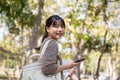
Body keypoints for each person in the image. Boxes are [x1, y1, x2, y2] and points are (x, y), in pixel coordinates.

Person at [40, 15, 80, 80]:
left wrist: (67, 65)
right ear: (47, 29)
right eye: (56, 26)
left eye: (62, 26)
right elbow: (47, 69)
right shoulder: (52, 43)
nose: (60, 29)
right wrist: (67, 66)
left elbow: (49, 62)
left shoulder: (45, 41)